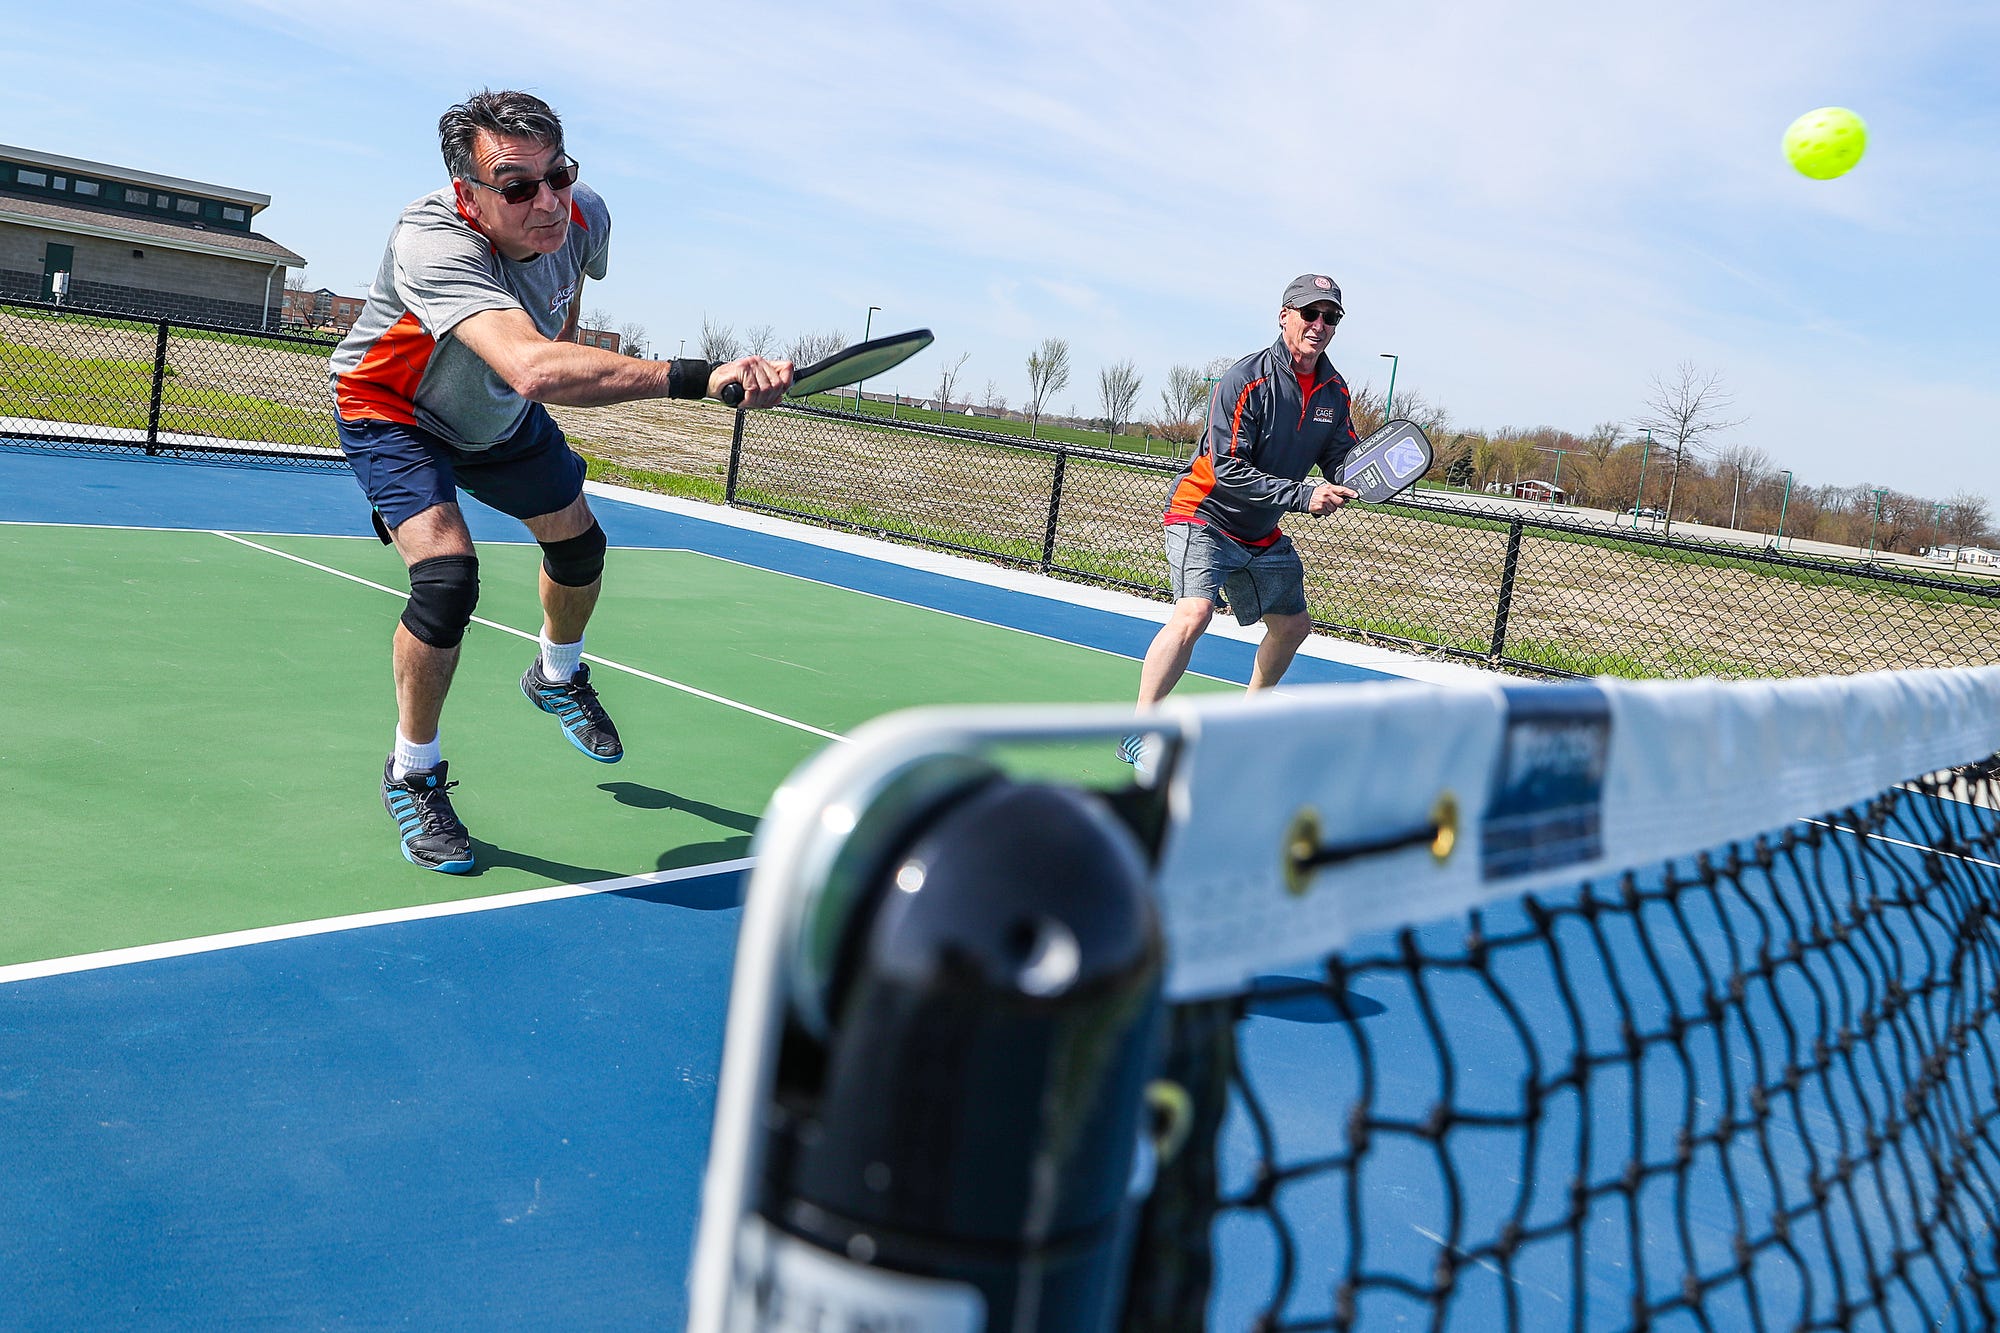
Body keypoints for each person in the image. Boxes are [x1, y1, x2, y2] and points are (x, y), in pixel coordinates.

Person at [329, 89, 792, 873]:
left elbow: (562, 312)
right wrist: (697, 376)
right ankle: (412, 772)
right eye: (516, 186)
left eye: (558, 175)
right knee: (446, 579)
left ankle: (556, 675)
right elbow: (532, 364)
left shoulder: (585, 217)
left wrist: (569, 364)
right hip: (396, 411)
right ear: (469, 195)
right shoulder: (430, 241)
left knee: (581, 549)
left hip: (501, 415)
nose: (545, 201)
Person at [1121, 274, 1362, 770]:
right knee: (1194, 614)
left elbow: (1342, 459)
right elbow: (1228, 468)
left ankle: (1247, 724)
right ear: (1284, 315)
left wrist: (1361, 477)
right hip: (1204, 512)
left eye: (1330, 317)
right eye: (1309, 313)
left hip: (1260, 529)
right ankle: (1139, 731)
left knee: (1293, 625)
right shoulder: (1244, 379)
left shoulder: (1336, 393)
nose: (1319, 324)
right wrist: (1303, 494)